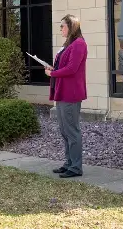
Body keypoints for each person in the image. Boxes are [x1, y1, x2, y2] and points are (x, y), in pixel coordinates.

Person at [45, 14, 88, 179]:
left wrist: (53, 73)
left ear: (72, 27)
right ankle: (69, 163)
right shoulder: (69, 44)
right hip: (62, 92)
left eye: (63, 26)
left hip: (71, 93)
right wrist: (52, 68)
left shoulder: (79, 44)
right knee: (64, 130)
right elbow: (64, 65)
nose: (61, 29)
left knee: (71, 130)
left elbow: (71, 68)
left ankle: (76, 167)